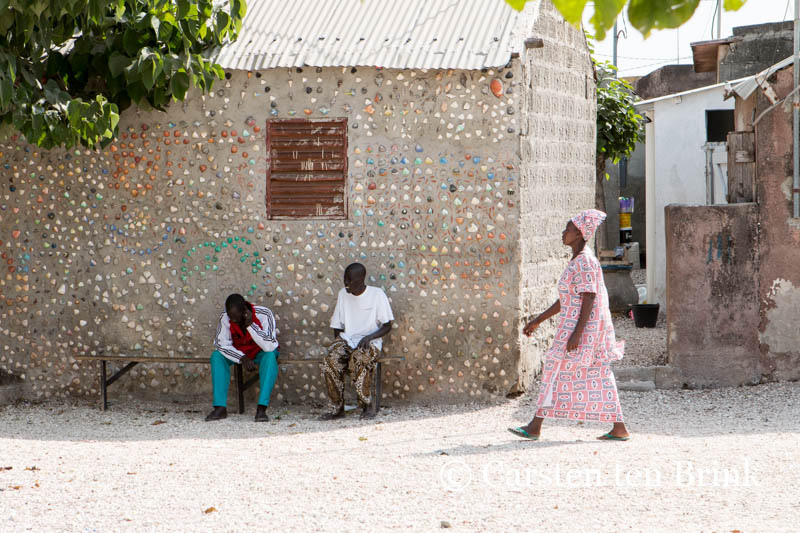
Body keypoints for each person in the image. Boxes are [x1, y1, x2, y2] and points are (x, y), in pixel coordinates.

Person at [509, 209, 631, 441]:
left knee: (558, 366)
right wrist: (538, 320)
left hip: (580, 329)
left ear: (579, 234)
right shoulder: (577, 260)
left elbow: (589, 297)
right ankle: (618, 427)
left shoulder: (585, 261)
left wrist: (577, 334)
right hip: (573, 326)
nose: (563, 233)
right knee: (593, 372)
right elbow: (567, 299)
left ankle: (536, 425)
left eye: (568, 229)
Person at [320, 263, 394, 420]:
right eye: (345, 279)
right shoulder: (343, 294)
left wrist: (368, 337)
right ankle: (337, 408)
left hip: (370, 342)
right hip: (348, 341)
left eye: (350, 280)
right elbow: (337, 326)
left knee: (360, 359)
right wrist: (340, 345)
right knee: (331, 358)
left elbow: (388, 326)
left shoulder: (376, 294)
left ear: (361, 279)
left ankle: (366, 406)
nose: (346, 284)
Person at [205, 294, 279, 422]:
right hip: (241, 353)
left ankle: (262, 409)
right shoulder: (226, 317)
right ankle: (220, 407)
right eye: (231, 317)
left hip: (261, 352)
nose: (233, 321)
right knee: (217, 356)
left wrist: (251, 325)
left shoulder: (264, 314)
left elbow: (270, 346)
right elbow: (221, 344)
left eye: (236, 318)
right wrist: (242, 358)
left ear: (245, 311)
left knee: (270, 357)